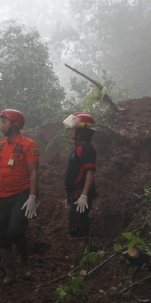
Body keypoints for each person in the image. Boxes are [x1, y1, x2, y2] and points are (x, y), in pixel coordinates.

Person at [0, 109, 39, 283]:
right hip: (1, 196)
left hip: (20, 194)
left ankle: (25, 262)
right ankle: (10, 271)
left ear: (15, 125)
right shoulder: (0, 146)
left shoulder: (28, 145)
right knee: (1, 234)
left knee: (15, 230)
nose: (1, 125)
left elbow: (33, 173)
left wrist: (32, 197)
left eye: (4, 122)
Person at [63, 112, 98, 265]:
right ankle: (81, 260)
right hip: (75, 193)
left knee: (78, 227)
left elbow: (90, 172)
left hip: (79, 194)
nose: (71, 131)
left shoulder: (87, 149)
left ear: (82, 131)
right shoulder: (77, 147)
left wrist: (83, 195)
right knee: (76, 225)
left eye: (74, 128)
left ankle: (82, 264)